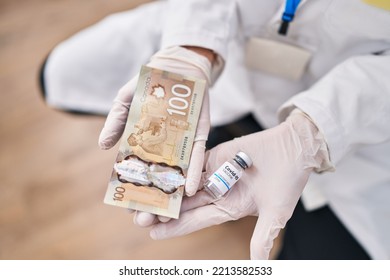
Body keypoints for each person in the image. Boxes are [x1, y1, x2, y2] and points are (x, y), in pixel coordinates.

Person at [40, 0, 390, 259]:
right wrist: (192, 47)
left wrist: (310, 135)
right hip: (224, 45)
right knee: (58, 77)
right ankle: (220, 143)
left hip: (356, 131)